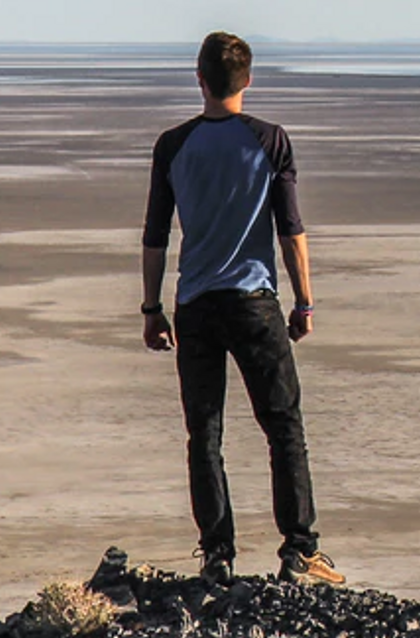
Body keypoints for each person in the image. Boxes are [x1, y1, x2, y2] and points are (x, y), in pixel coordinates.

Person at [140, 31, 344, 587]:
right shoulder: (270, 141)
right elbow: (291, 229)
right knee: (283, 427)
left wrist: (151, 307)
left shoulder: (173, 145)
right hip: (255, 303)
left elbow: (155, 235)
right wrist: (304, 301)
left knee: (204, 432)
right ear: (247, 81)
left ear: (200, 79)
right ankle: (299, 551)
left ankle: (216, 554)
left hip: (195, 306)